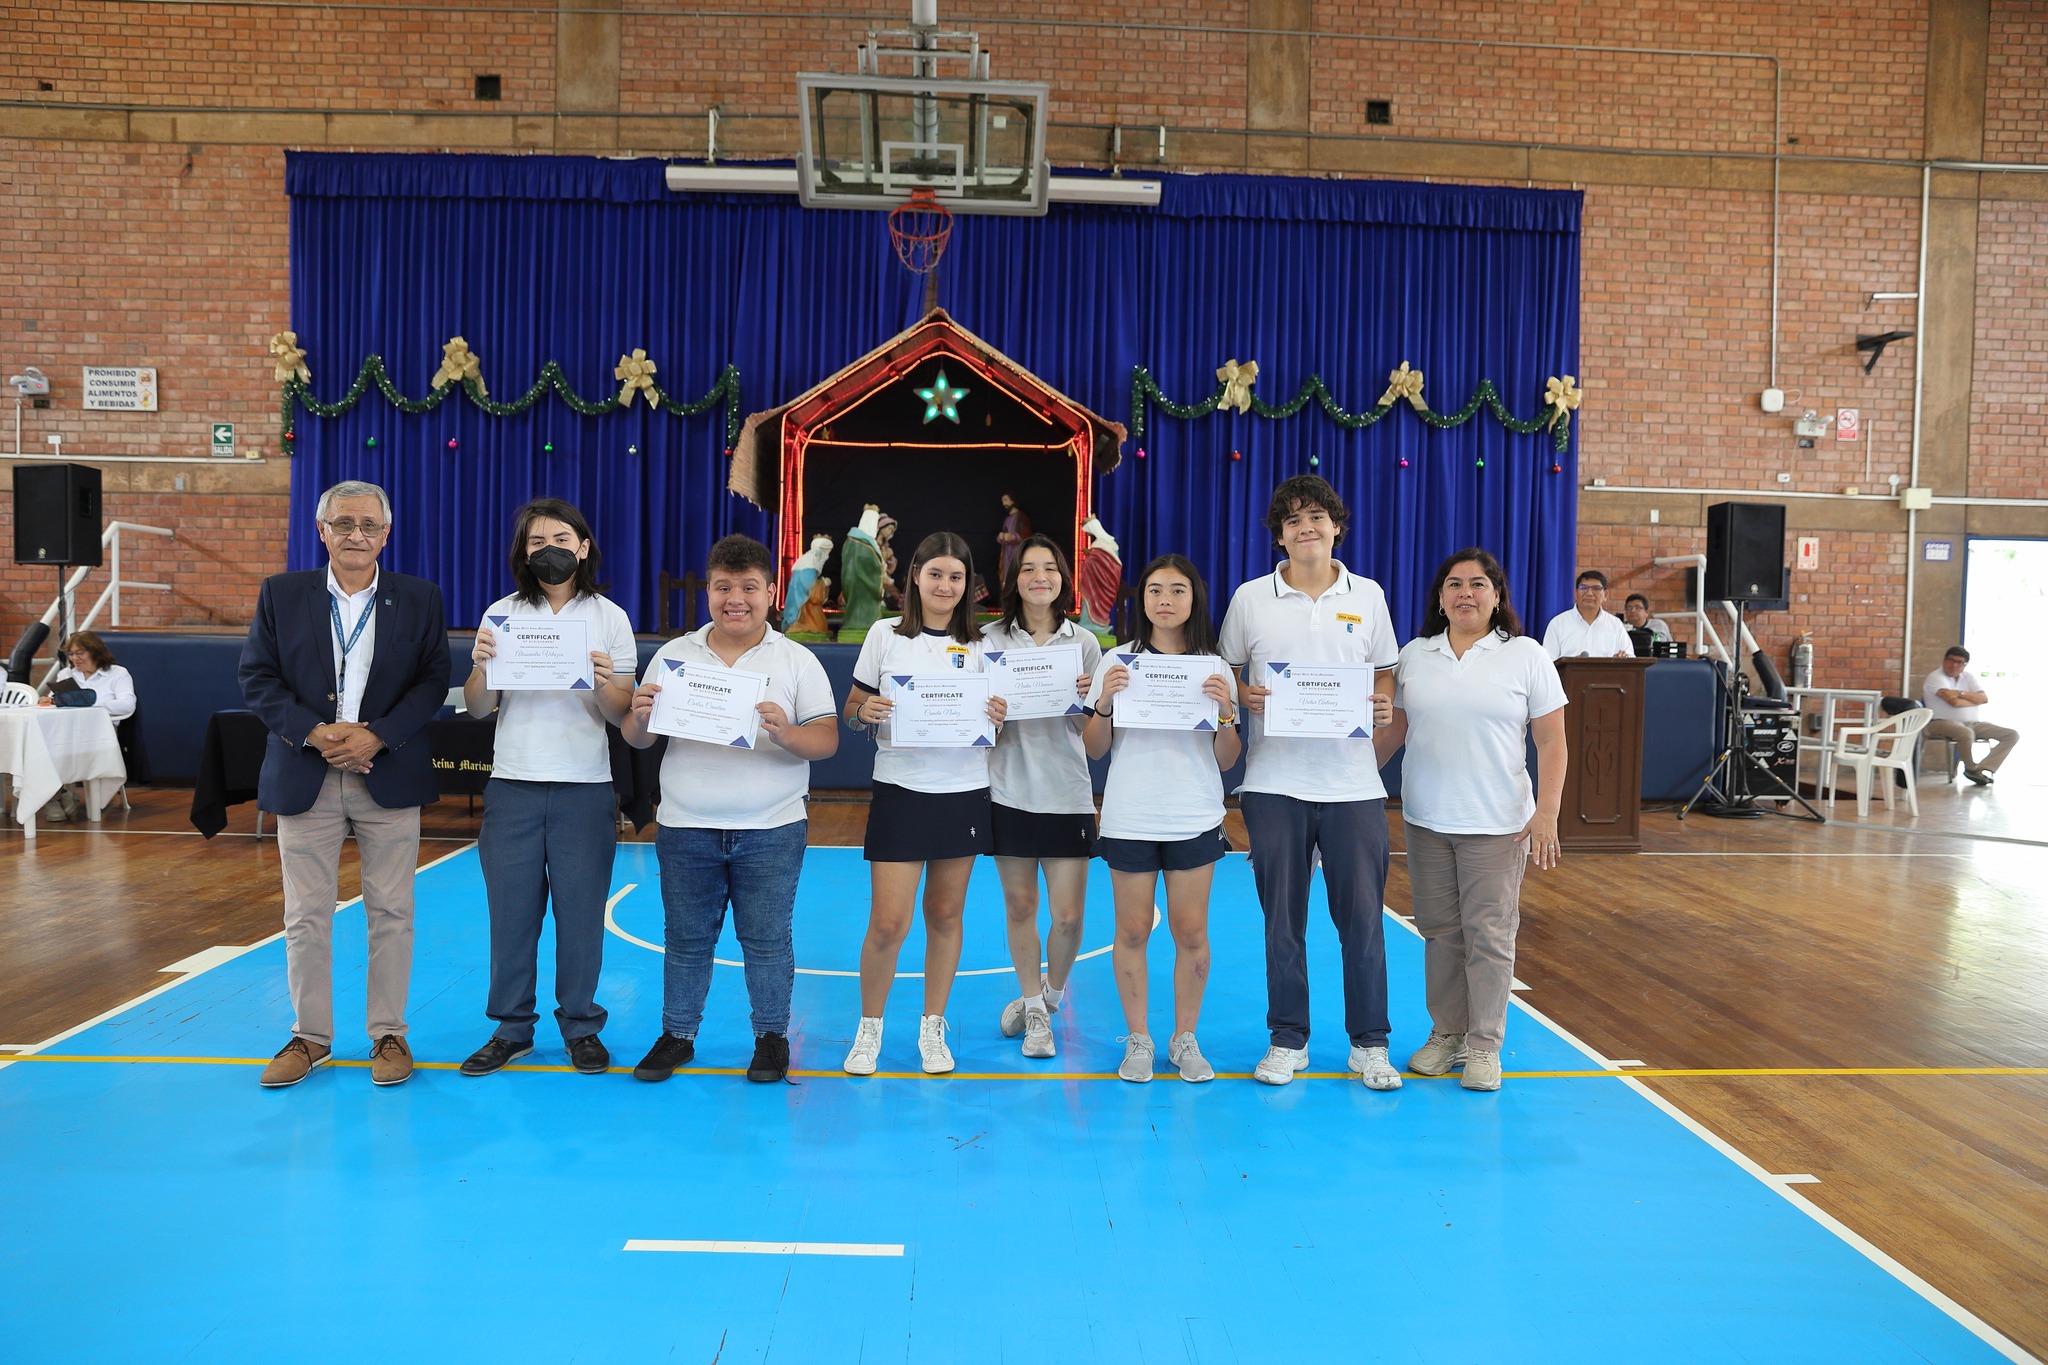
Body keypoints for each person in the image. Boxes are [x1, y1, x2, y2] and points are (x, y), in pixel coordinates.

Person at [239, 479, 449, 1089]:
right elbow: (257, 678)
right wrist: (313, 732)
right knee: (305, 914)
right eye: (344, 523)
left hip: (387, 771)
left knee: (392, 910)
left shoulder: (420, 598)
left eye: (369, 525)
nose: (357, 535)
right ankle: (310, 1037)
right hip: (306, 770)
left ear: (387, 534)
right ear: (322, 530)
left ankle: (389, 1033)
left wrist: (376, 736)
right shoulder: (281, 594)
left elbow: (433, 681)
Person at [624, 535, 838, 1084]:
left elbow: (828, 739)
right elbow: (638, 738)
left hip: (771, 827)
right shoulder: (674, 655)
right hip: (685, 825)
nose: (735, 599)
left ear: (771, 592)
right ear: (709, 592)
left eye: (748, 588)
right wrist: (639, 716)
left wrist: (787, 733)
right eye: (723, 588)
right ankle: (677, 1035)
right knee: (685, 940)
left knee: (766, 941)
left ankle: (771, 1038)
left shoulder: (797, 659)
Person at [1218, 475, 1402, 1090]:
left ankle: (1370, 1043)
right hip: (1274, 784)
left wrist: (1381, 703)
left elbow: (1384, 674)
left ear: (1336, 527)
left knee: (1363, 922)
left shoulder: (1368, 595)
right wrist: (1244, 694)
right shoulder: (1251, 598)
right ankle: (1287, 1039)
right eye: (1293, 520)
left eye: (1317, 516)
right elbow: (1226, 672)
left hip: (1354, 787)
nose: (1306, 528)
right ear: (1279, 534)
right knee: (1282, 921)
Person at [456, 498, 636, 1078]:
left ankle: (581, 1026)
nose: (549, 550)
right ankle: (511, 1029)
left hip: (585, 786)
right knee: (511, 916)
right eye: (536, 542)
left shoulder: (609, 617)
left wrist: (601, 682)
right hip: (513, 783)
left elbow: (621, 714)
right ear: (523, 552)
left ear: (582, 547)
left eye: (561, 539)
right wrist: (480, 667)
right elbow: (478, 707)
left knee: (580, 918)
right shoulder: (502, 613)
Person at [1380, 549, 1568, 1092]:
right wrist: (1350, 784)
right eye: (1455, 584)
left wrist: (1547, 813)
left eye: (1478, 584)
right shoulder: (1415, 655)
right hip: (1426, 820)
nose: (1466, 593)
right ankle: (1448, 1034)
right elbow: (1394, 733)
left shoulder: (1526, 655)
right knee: (1440, 934)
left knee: (1488, 935)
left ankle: (1485, 1045)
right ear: (1440, 598)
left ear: (1497, 596)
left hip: (1498, 824)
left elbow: (1552, 741)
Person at [841, 531, 1008, 1075]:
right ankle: (869, 1028)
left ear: (968, 584)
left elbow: (997, 727)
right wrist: (864, 714)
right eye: (935, 574)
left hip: (963, 792)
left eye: (956, 577)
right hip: (901, 790)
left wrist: (1000, 720)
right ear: (915, 576)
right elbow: (852, 708)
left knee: (945, 914)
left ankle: (933, 1026)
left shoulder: (985, 645)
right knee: (889, 922)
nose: (945, 585)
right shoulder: (885, 634)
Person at [1085, 554, 1240, 1084]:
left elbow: (1227, 759)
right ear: (1142, 599)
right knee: (1131, 931)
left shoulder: (1214, 667)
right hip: (1130, 815)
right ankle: (1139, 1038)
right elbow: (1094, 748)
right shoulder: (1117, 661)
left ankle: (1184, 1038)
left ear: (1194, 599)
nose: (1165, 600)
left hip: (1194, 814)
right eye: (1154, 590)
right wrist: (1105, 702)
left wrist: (1225, 713)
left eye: (1177, 590)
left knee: (1191, 932)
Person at [982, 534, 1100, 1060]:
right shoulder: (988, 640)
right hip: (1007, 790)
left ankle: (1049, 997)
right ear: (1015, 579)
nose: (1039, 577)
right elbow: (974, 723)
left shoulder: (1085, 643)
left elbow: (1091, 732)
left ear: (1062, 578)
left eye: (1049, 567)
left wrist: (1087, 701)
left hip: (1067, 793)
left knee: (1069, 917)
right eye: (1028, 568)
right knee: (1021, 905)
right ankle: (1033, 1010)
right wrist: (987, 714)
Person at [1921, 645, 2019, 786]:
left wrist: (1959, 693)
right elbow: (1954, 702)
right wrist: (1973, 700)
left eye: (1959, 662)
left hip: (1972, 723)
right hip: (1939, 722)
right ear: (1944, 660)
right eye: (1951, 660)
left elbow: (1984, 699)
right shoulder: (1936, 677)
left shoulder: (1968, 677)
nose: (1954, 665)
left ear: (1965, 664)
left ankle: (1983, 768)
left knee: (2011, 735)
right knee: (1965, 733)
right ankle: (1971, 769)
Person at [1541, 570, 1634, 659]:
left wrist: (1621, 659)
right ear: (1576, 593)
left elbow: (1629, 659)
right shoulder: (1558, 623)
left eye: (1596, 588)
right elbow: (1548, 662)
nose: (1589, 593)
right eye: (1583, 588)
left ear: (1605, 595)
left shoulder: (1616, 625)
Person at [49, 632, 136, 719]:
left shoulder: (117, 673)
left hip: (102, 724)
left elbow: (128, 704)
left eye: (80, 653)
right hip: (68, 723)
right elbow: (53, 700)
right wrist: (50, 700)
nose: (74, 658)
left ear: (95, 652)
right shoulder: (66, 673)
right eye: (70, 654)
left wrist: (89, 703)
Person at [996, 491, 1033, 592]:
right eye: (1002, 501)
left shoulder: (1021, 517)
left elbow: (1026, 536)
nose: (1003, 503)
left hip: (1017, 554)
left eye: (1005, 500)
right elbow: (1004, 533)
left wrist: (1013, 537)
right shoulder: (1007, 519)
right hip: (1006, 556)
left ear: (1013, 501)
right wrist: (1001, 537)